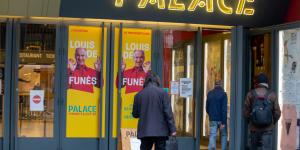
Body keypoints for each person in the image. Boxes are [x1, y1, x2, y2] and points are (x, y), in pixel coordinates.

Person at [132, 71, 176, 150]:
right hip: (161, 131)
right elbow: (168, 113)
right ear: (157, 81)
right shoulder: (163, 93)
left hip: (145, 131)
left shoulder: (138, 95)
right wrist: (173, 129)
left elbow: (135, 114)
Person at [244, 73, 281, 150]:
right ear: (266, 83)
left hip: (254, 128)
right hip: (267, 129)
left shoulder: (250, 94)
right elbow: (277, 112)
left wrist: (250, 121)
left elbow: (245, 111)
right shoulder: (272, 94)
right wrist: (272, 122)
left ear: (257, 82)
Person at [206, 80, 228, 150]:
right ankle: (223, 148)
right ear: (221, 85)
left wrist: (211, 115)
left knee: (213, 135)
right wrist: (223, 122)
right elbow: (224, 109)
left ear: (215, 85)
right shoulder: (223, 94)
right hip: (221, 119)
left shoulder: (210, 93)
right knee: (224, 135)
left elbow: (207, 107)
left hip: (212, 119)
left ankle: (212, 149)